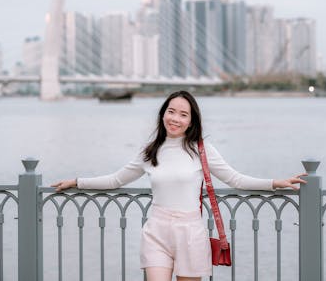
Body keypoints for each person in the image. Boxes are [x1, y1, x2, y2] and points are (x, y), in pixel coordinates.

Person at [52, 90, 307, 281]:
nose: (175, 118)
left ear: (191, 120)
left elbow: (235, 179)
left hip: (190, 233)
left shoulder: (201, 151)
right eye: (171, 111)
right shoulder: (150, 152)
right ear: (163, 113)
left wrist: (276, 183)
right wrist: (77, 181)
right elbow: (116, 179)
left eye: (183, 114)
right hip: (156, 232)